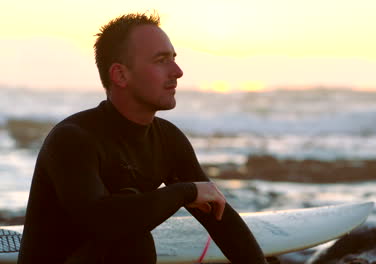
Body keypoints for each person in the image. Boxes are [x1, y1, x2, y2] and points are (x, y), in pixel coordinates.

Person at [18, 12, 268, 264]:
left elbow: (220, 219)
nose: (178, 71)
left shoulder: (167, 139)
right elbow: (102, 222)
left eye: (174, 59)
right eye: (161, 60)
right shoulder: (73, 139)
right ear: (120, 75)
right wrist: (185, 192)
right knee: (131, 231)